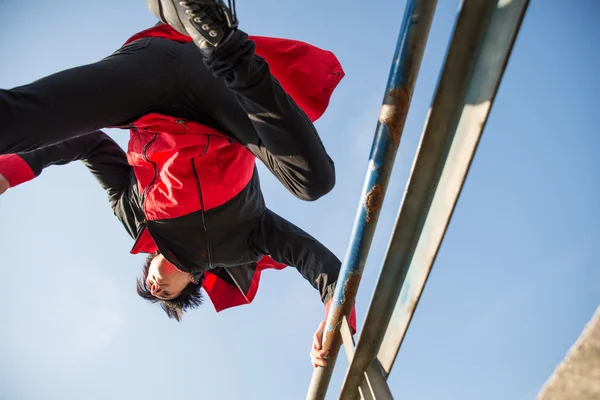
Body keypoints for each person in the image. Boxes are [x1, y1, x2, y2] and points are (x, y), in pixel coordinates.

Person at [0, 0, 354, 367]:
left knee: (14, 124)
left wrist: (10, 171)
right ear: (193, 282)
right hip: (215, 92)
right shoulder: (241, 244)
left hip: (147, 84)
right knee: (313, 182)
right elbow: (312, 257)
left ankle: (177, 11)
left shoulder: (132, 216)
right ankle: (227, 47)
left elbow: (90, 144)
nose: (155, 289)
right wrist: (335, 311)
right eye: (167, 294)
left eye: (151, 289)